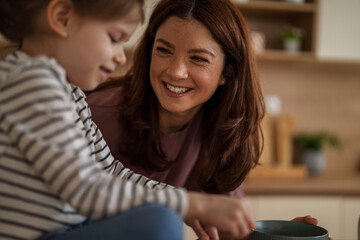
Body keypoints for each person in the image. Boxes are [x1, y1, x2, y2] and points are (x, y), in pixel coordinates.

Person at [0, 0, 257, 239]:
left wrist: (185, 203)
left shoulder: (68, 92)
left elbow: (110, 171)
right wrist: (191, 203)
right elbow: (87, 189)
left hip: (68, 229)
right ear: (62, 18)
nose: (121, 57)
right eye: (114, 38)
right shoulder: (32, 85)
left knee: (162, 216)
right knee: (160, 221)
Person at [86, 0, 332, 239]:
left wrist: (265, 238)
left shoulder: (221, 127)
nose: (176, 71)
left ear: (227, 72)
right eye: (163, 50)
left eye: (198, 58)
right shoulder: (96, 114)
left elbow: (226, 233)